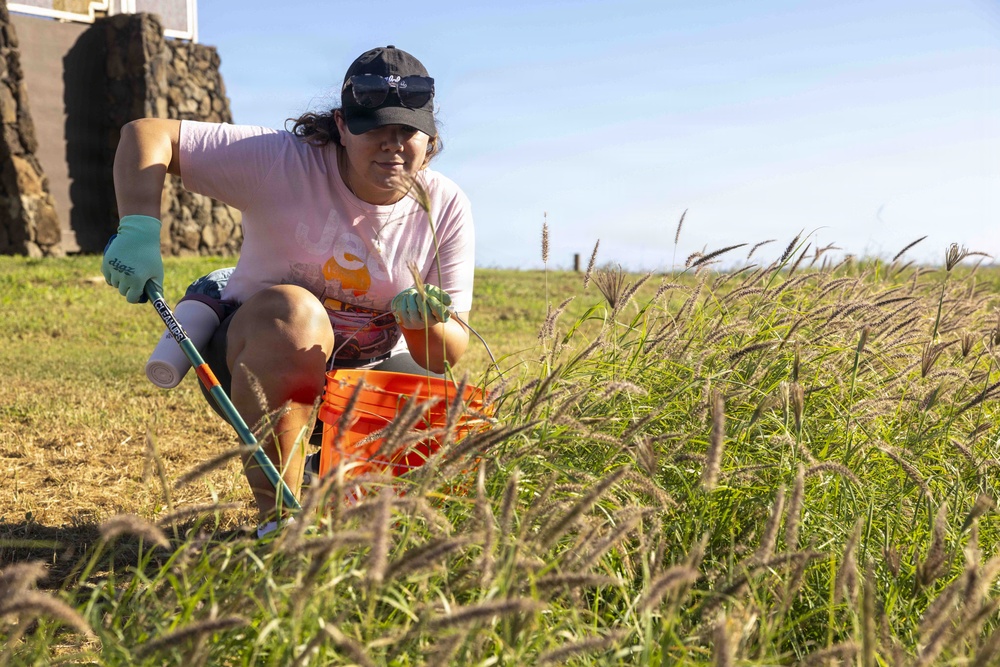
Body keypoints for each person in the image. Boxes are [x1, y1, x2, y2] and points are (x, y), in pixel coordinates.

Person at [101, 46, 475, 535]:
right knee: (297, 313)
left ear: (429, 137)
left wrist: (423, 323)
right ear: (341, 127)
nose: (391, 144)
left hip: (360, 386)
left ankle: (329, 497)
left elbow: (444, 356)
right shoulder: (283, 161)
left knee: (447, 408)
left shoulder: (444, 206)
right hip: (257, 361)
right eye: (373, 128)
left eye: (406, 130)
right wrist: (138, 229)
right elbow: (146, 135)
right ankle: (277, 523)